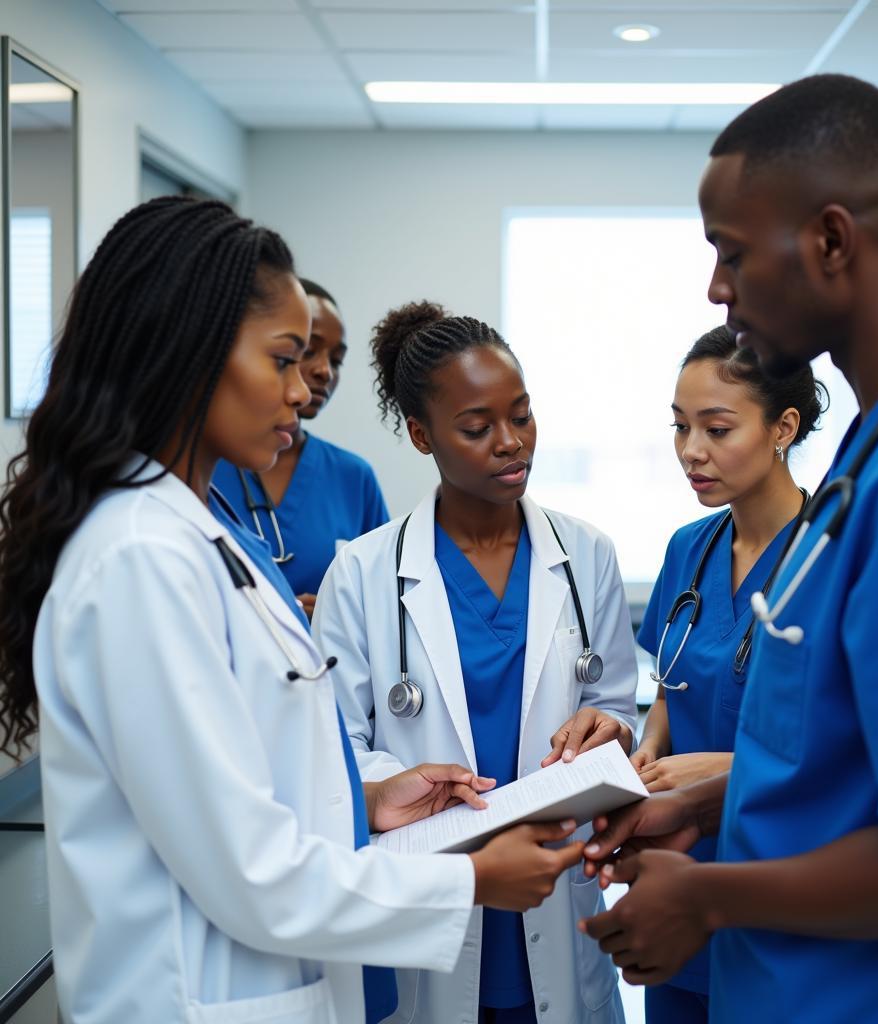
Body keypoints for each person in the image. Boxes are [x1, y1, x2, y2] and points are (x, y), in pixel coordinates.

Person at [0, 197, 585, 1024]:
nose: (303, 390)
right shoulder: (141, 557)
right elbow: (250, 869)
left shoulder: (201, 535)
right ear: (188, 351)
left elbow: (249, 768)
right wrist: (472, 879)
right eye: (283, 359)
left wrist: (371, 796)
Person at [580, 74, 878, 1022]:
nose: (717, 287)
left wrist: (706, 894)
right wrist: (703, 810)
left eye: (732, 252)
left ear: (830, 240)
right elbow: (842, 763)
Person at [312, 301, 638, 1024]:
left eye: (521, 415)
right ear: (423, 436)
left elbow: (616, 708)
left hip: (559, 897)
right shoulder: (362, 574)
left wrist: (608, 729)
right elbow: (333, 758)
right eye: (477, 426)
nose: (510, 442)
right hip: (430, 905)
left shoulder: (587, 556)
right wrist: (394, 783)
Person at [631, 324, 824, 1024]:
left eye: (716, 428)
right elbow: (669, 684)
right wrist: (650, 747)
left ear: (784, 427)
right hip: (678, 876)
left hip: (776, 874)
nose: (691, 452)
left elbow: (838, 745)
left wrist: (716, 771)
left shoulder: (829, 560)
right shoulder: (690, 548)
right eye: (681, 427)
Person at [213, 277, 388, 618]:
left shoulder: (354, 478)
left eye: (336, 360)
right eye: (306, 350)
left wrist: (335, 615)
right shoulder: (203, 468)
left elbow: (386, 604)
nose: (324, 371)